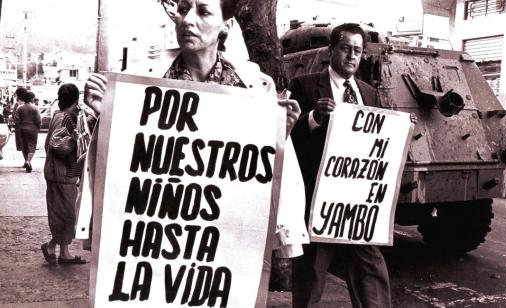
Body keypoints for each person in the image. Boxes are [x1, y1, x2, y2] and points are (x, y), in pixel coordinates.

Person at [84, 0, 307, 267]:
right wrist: (106, 118)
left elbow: (257, 175)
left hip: (224, 241)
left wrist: (279, 138)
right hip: (156, 235)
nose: (188, 19)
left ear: (226, 25)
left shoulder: (255, 88)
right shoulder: (141, 82)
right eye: (182, 9)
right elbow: (126, 165)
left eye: (202, 11)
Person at [289, 23, 392, 307]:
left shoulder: (369, 94)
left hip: (359, 202)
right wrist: (313, 118)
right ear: (331, 50)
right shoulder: (305, 85)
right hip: (319, 200)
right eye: (346, 49)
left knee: (371, 271)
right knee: (311, 275)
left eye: (357, 51)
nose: (351, 56)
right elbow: (286, 136)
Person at [41, 83, 87, 265]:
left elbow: (48, 144)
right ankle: (55, 248)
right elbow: (57, 144)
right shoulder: (66, 118)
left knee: (64, 213)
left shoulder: (58, 116)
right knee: (67, 214)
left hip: (59, 173)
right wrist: (77, 140)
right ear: (76, 99)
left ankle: (60, 250)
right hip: (62, 174)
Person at [13, 90, 41, 172]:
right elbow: (39, 120)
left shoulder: (19, 108)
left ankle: (26, 161)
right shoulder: (35, 108)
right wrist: (38, 128)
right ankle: (28, 161)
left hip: (22, 129)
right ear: (32, 99)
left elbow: (16, 120)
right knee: (32, 146)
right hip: (33, 129)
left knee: (24, 146)